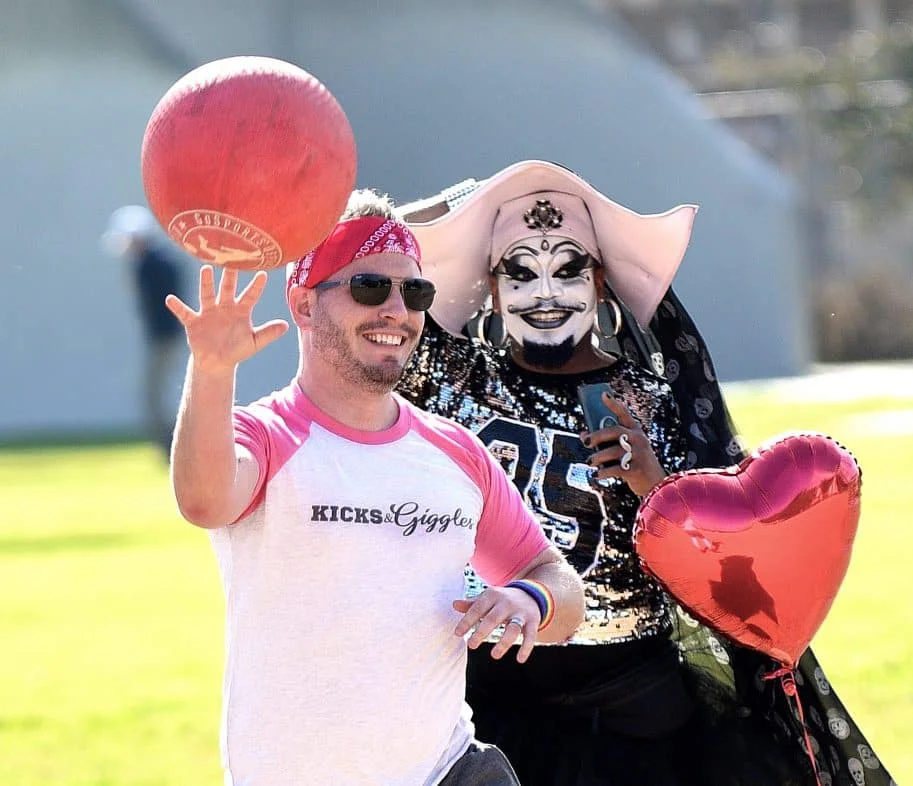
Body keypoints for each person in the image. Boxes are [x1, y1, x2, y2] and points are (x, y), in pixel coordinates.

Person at [393, 160, 895, 786]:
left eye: (569, 270)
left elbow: (719, 565)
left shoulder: (656, 400)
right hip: (489, 706)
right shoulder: (453, 376)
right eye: (519, 273)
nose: (545, 294)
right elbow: (358, 242)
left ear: (602, 283)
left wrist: (654, 487)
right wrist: (465, 203)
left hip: (633, 718)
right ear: (489, 290)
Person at [162, 188, 586, 786]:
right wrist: (211, 368)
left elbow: (560, 589)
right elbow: (203, 501)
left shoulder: (457, 454)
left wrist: (530, 599)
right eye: (369, 288)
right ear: (305, 304)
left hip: (449, 772)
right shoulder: (264, 435)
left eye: (414, 292)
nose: (397, 311)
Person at [102, 205, 185, 456]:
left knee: (154, 395)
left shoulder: (150, 264)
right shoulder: (164, 260)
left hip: (163, 338)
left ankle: (170, 445)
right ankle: (171, 444)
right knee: (156, 393)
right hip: (167, 336)